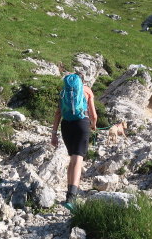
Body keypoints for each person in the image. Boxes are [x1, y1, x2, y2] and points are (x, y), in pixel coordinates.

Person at [50, 73, 97, 210]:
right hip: (81, 124)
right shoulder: (87, 90)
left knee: (72, 160)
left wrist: (54, 134)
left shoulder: (63, 92)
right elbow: (93, 115)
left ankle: (69, 194)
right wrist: (93, 125)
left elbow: (58, 113)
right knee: (78, 160)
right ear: (82, 81)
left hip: (66, 126)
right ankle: (72, 197)